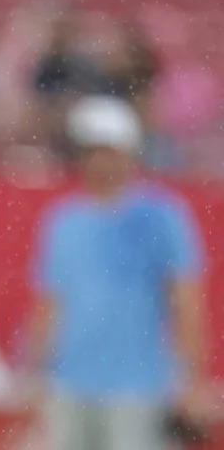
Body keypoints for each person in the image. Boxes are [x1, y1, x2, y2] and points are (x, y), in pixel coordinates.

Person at [26, 95, 210, 450]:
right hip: (69, 383)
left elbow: (186, 301)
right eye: (91, 151)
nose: (99, 161)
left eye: (108, 150)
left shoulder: (162, 215)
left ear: (129, 153)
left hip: (138, 387)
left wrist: (191, 381)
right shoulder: (63, 220)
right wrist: (35, 373)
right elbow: (51, 303)